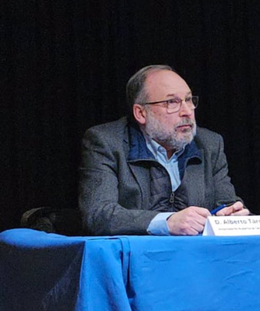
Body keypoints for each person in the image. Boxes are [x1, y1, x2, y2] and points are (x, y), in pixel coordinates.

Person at [78, 65, 249, 236]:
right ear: (141, 113)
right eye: (172, 102)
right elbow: (98, 214)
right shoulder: (106, 142)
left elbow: (226, 202)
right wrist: (167, 222)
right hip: (138, 257)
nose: (187, 112)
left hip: (197, 255)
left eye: (189, 100)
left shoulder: (209, 144)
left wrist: (231, 216)